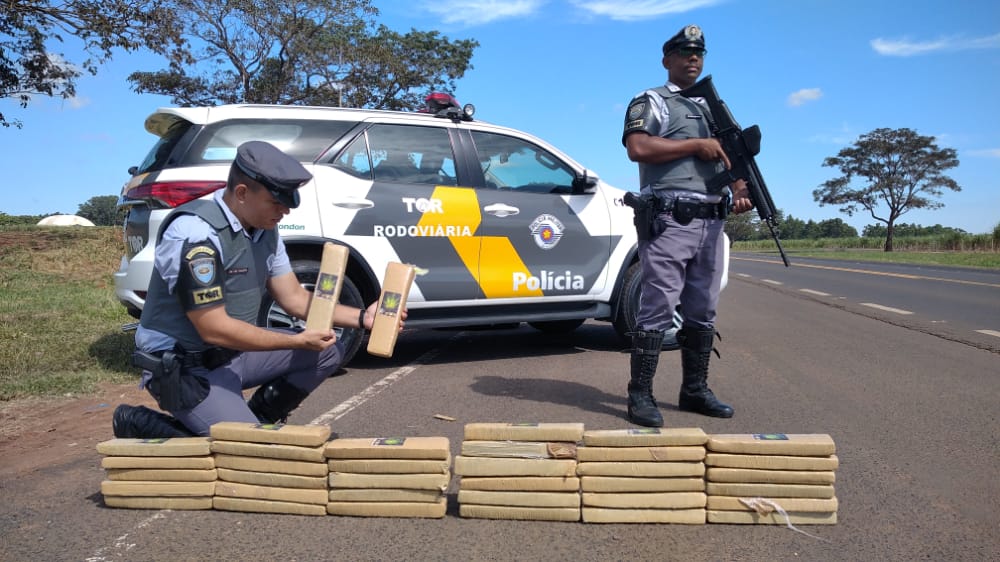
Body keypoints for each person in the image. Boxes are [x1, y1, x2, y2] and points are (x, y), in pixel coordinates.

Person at [113, 141, 390, 437]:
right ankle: (141, 425)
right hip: (184, 367)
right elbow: (213, 328)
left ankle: (256, 419)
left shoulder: (265, 231)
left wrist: (363, 319)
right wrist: (297, 342)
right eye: (276, 201)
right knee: (252, 453)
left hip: (230, 356)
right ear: (242, 193)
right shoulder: (196, 233)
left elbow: (295, 299)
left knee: (328, 350)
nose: (285, 210)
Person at [620, 24, 753, 427]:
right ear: (667, 60)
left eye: (698, 54)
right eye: (683, 53)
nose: (692, 59)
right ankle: (640, 396)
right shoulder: (652, 101)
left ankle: (694, 390)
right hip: (669, 218)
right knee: (658, 305)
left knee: (702, 308)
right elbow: (638, 147)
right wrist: (696, 144)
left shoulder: (715, 109)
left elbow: (730, 159)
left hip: (712, 221)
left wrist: (741, 188)